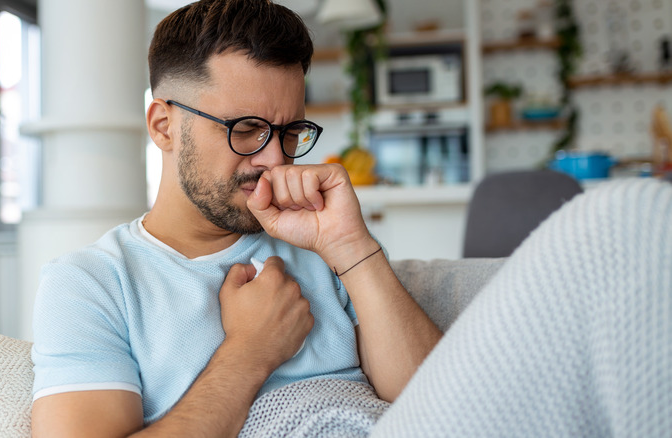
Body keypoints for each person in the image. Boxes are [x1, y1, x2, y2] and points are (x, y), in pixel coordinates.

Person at [30, 0, 441, 436]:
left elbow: (447, 407)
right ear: (164, 126)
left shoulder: (321, 242)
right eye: (245, 129)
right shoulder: (90, 284)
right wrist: (251, 350)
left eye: (291, 133)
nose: (275, 159)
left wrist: (351, 247)